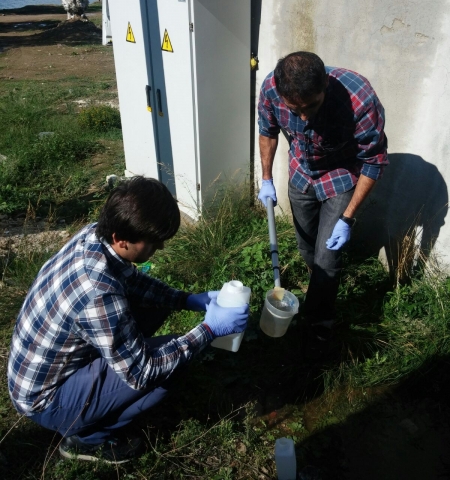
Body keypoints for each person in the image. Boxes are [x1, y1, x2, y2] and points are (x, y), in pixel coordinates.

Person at [8, 176, 249, 463]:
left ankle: (98, 393)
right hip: (47, 400)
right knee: (169, 363)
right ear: (122, 240)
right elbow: (143, 373)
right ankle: (87, 440)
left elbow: (132, 281)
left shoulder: (93, 235)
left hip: (40, 371)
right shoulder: (99, 293)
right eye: (155, 243)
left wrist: (186, 299)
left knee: (154, 305)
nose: (159, 249)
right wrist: (209, 330)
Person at [257, 52, 388, 351]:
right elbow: (268, 131)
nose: (304, 117)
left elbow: (374, 162)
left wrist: (348, 218)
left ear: (325, 84)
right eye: (295, 109)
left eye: (312, 106)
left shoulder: (359, 98)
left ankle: (319, 323)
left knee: (327, 257)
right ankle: (319, 288)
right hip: (301, 175)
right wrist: (266, 177)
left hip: (340, 178)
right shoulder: (271, 89)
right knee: (307, 247)